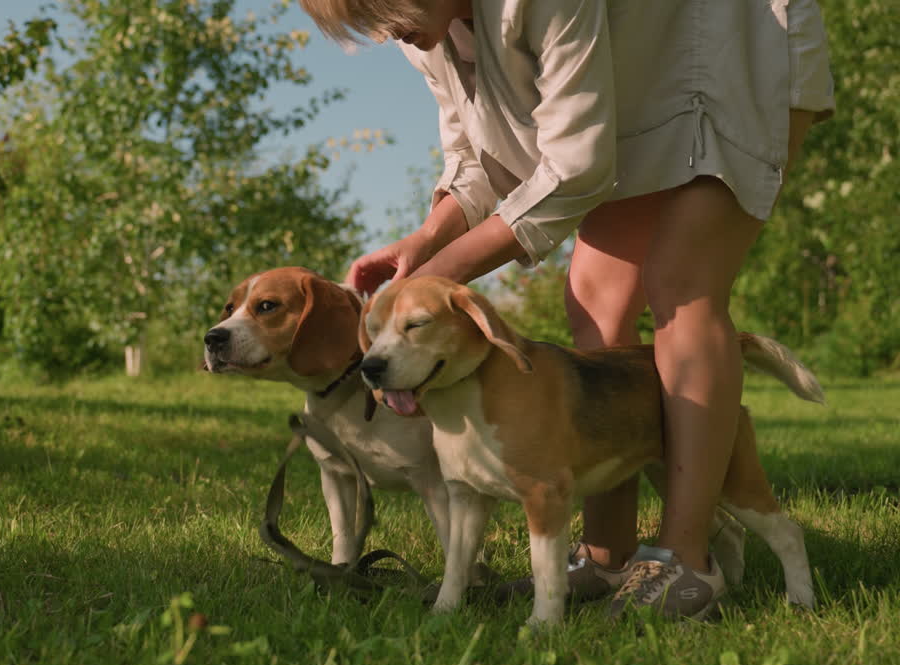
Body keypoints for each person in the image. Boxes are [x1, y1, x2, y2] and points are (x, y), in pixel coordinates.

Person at [299, 0, 834, 619]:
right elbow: (474, 159)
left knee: (681, 282)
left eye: (384, 9)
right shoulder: (425, 31)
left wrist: (443, 275)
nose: (384, 31)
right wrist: (427, 242)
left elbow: (575, 170)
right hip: (638, 94)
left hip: (730, 44)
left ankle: (688, 560)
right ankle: (608, 557)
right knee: (594, 297)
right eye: (366, 22)